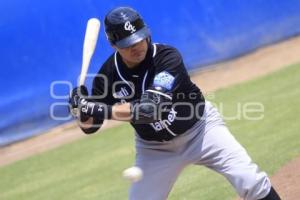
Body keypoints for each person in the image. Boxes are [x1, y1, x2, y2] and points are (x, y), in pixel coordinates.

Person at [69, 6, 281, 200]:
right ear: (114, 45)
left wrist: (93, 107)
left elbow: (150, 110)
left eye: (139, 38)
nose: (137, 46)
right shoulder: (108, 74)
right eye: (128, 44)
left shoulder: (167, 57)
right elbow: (90, 127)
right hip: (154, 149)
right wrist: (79, 108)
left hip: (202, 131)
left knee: (251, 181)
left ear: (147, 33)